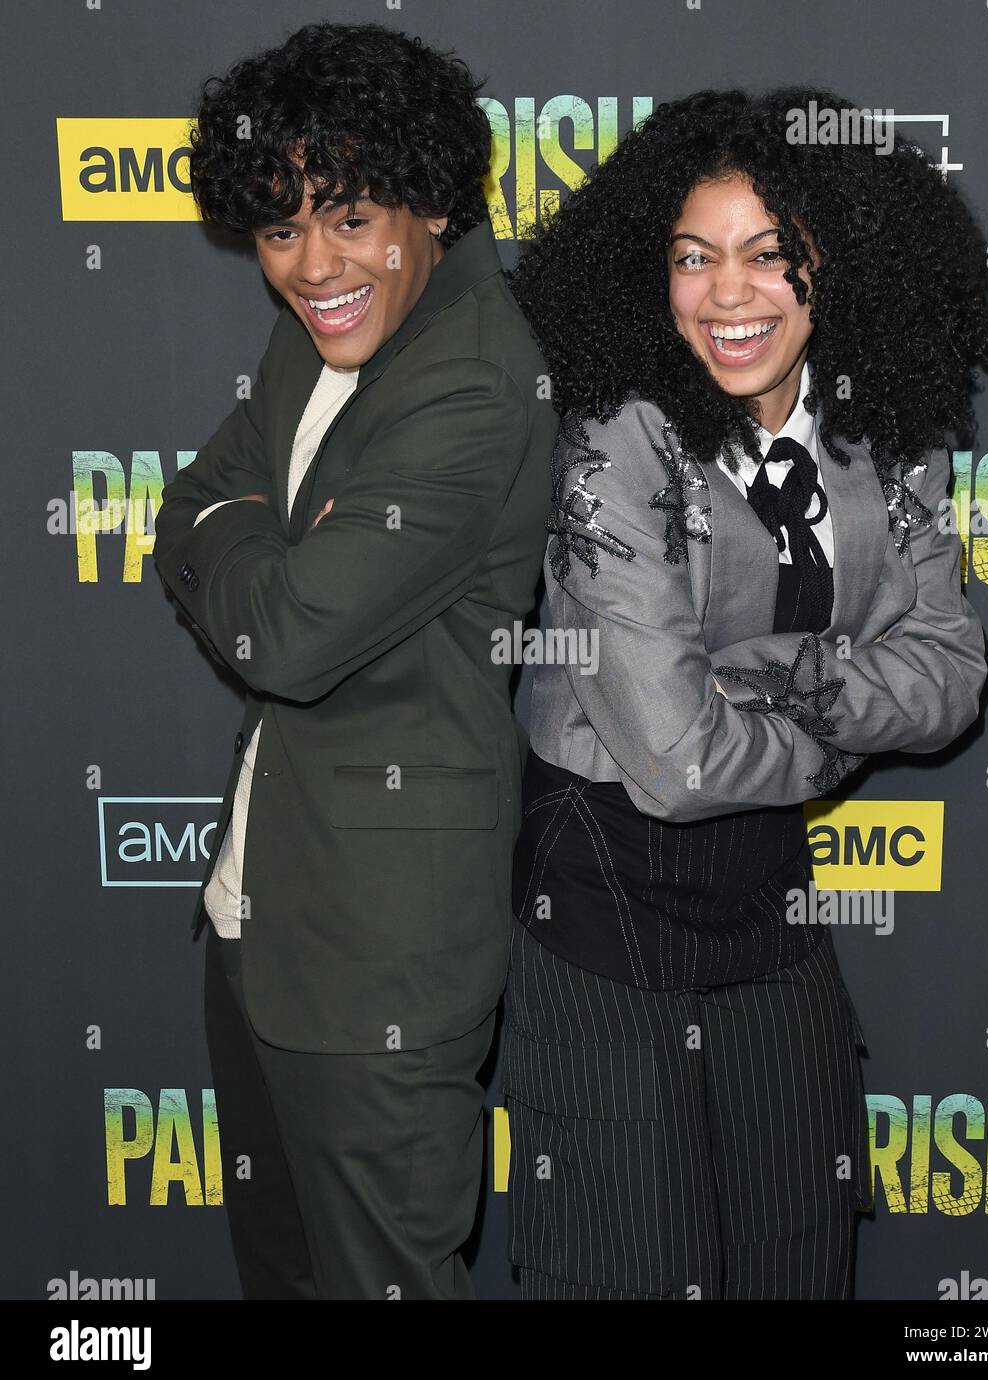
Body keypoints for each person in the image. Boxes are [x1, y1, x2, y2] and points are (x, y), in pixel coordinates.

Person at [501, 86, 988, 1299]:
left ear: (842, 265)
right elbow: (674, 763)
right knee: (630, 1267)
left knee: (794, 1252)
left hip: (768, 904)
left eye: (772, 257)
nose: (729, 296)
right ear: (647, 272)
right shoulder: (616, 441)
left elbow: (952, 676)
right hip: (600, 899)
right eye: (692, 258)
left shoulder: (888, 435)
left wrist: (783, 680)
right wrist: (832, 724)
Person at [152, 22, 556, 1299]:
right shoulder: (325, 323)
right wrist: (249, 536)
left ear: (429, 203)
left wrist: (243, 547)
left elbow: (291, 633)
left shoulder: (473, 378)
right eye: (281, 232)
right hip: (255, 913)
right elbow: (191, 504)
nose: (313, 267)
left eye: (349, 218)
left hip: (378, 962)